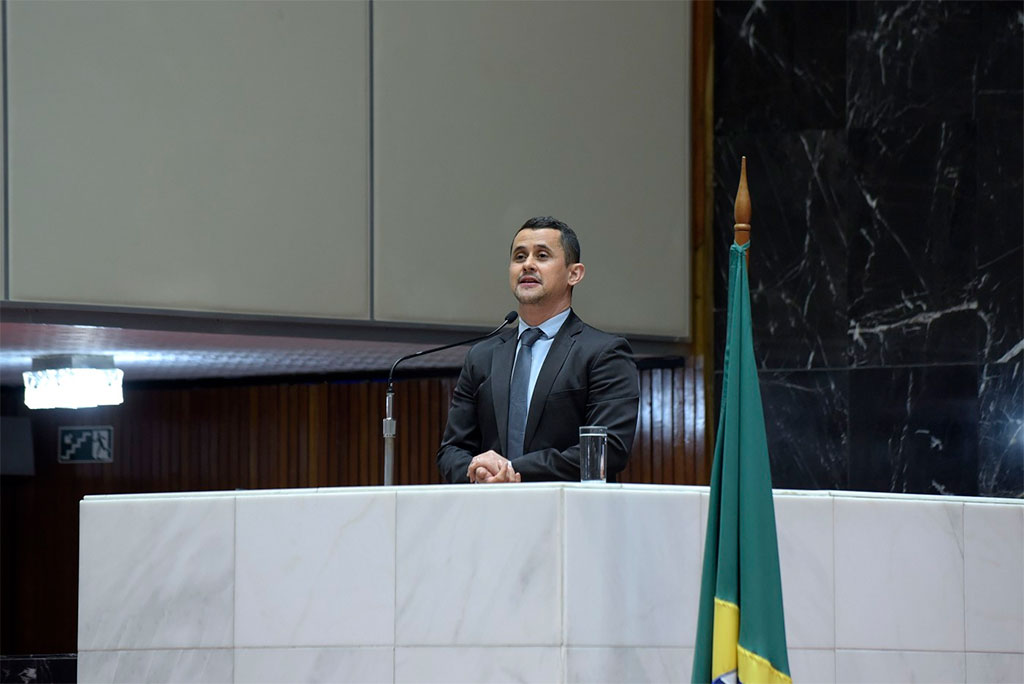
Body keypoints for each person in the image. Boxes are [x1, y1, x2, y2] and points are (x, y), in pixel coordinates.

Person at [437, 216, 640, 483]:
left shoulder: (604, 353)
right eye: (519, 257)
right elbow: (451, 450)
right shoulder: (482, 356)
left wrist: (513, 469)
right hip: (489, 505)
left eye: (542, 256)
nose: (528, 265)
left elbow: (607, 449)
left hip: (568, 507)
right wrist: (477, 470)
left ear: (574, 274)